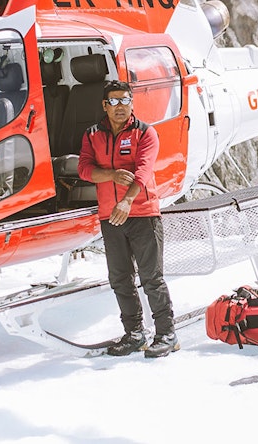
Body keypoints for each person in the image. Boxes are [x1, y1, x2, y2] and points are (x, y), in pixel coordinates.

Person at [77, 80, 178, 358]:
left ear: (132, 103)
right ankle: (134, 334)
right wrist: (110, 175)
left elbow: (143, 171)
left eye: (125, 101)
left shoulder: (145, 133)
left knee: (152, 279)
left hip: (142, 214)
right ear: (104, 106)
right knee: (120, 279)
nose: (120, 106)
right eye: (114, 101)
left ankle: (167, 333)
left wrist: (127, 200)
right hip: (110, 217)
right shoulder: (92, 134)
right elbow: (85, 169)